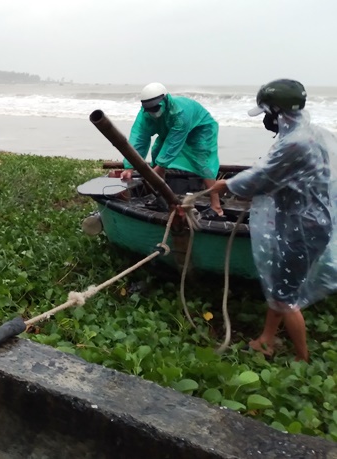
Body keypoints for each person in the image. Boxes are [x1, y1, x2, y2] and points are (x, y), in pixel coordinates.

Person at [210, 79, 337, 361]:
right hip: (306, 221)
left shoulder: (294, 143)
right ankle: (267, 339)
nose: (266, 120)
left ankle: (303, 360)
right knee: (282, 286)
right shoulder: (309, 134)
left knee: (286, 298)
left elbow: (262, 177)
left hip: (303, 227)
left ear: (277, 112)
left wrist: (225, 186)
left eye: (267, 113)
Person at [120, 82, 224, 218]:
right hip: (169, 129)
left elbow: (173, 144)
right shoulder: (145, 115)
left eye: (156, 107)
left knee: (202, 161)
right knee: (157, 151)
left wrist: (160, 166)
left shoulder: (180, 114)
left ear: (165, 100)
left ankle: (216, 207)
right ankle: (162, 198)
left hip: (200, 128)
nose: (153, 111)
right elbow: (138, 139)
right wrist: (129, 167)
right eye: (149, 109)